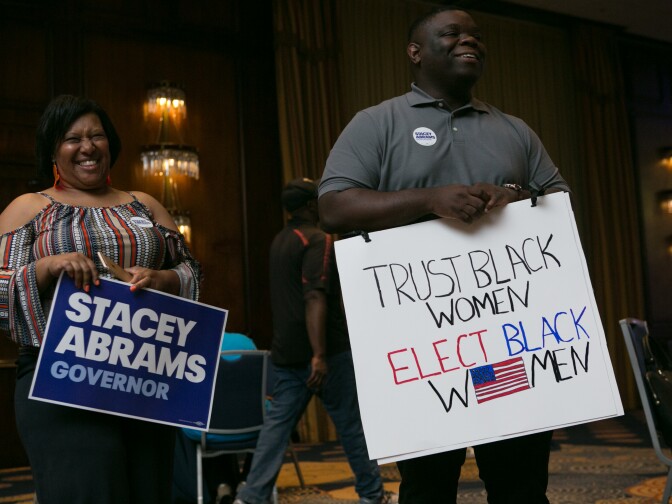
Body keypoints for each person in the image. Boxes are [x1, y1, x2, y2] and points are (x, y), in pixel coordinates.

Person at [318, 6, 571, 504]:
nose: (468, 40)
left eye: (476, 35)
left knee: (520, 483)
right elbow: (333, 206)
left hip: (508, 338)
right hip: (421, 347)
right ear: (415, 52)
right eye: (451, 33)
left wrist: (517, 200)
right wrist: (430, 199)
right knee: (428, 488)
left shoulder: (514, 128)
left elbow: (559, 203)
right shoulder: (377, 123)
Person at [0, 94, 201, 504]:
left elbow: (192, 272)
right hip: (62, 379)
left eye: (97, 136)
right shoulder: (29, 208)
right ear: (53, 150)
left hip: (145, 375)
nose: (88, 146)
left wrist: (163, 278)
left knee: (150, 492)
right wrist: (48, 266)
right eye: (73, 138)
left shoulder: (144, 205)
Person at [234, 178, 391, 504]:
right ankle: (372, 496)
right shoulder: (318, 240)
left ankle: (251, 497)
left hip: (287, 353)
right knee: (352, 427)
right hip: (326, 353)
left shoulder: (280, 240)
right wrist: (319, 354)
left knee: (275, 431)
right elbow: (314, 297)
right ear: (310, 206)